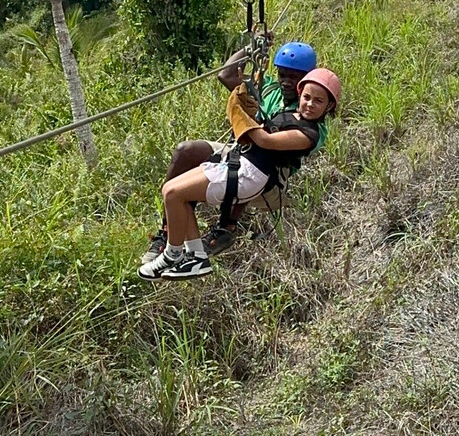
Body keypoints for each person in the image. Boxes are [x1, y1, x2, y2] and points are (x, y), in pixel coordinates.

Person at [138, 68, 342, 281]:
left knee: (173, 194)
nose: (310, 104)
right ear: (300, 95)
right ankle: (196, 255)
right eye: (307, 97)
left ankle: (172, 254)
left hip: (249, 175)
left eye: (318, 101)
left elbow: (266, 141)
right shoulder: (290, 114)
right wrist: (251, 113)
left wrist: (239, 113)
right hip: (239, 162)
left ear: (328, 106)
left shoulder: (308, 133)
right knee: (172, 190)